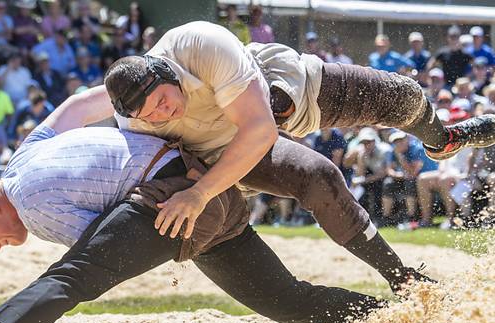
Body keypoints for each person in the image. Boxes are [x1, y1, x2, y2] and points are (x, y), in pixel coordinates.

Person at [0, 118, 388, 323]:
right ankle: (391, 316)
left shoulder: (29, 200)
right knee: (286, 298)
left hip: (173, 195)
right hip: (207, 193)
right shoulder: (26, 153)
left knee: (76, 274)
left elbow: (96, 256)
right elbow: (80, 102)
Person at [45, 21, 472, 291]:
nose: (161, 114)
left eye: (162, 100)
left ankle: (443, 138)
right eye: (148, 114)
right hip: (229, 154)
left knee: (406, 98)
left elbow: (263, 125)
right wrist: (37, 150)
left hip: (285, 95)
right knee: (319, 176)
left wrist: (200, 193)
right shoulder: (132, 120)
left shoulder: (198, 43)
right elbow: (81, 106)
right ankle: (403, 279)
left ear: (165, 73)